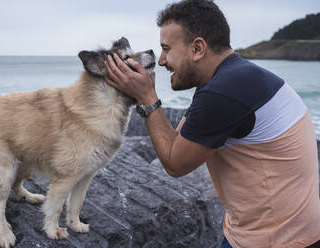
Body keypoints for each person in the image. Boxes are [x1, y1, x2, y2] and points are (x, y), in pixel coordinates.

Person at [105, 0, 320, 247]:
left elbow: (175, 163)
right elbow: (179, 139)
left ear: (197, 48)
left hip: (277, 240)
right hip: (282, 230)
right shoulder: (235, 77)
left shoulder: (224, 92)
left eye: (166, 49)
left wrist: (146, 96)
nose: (162, 60)